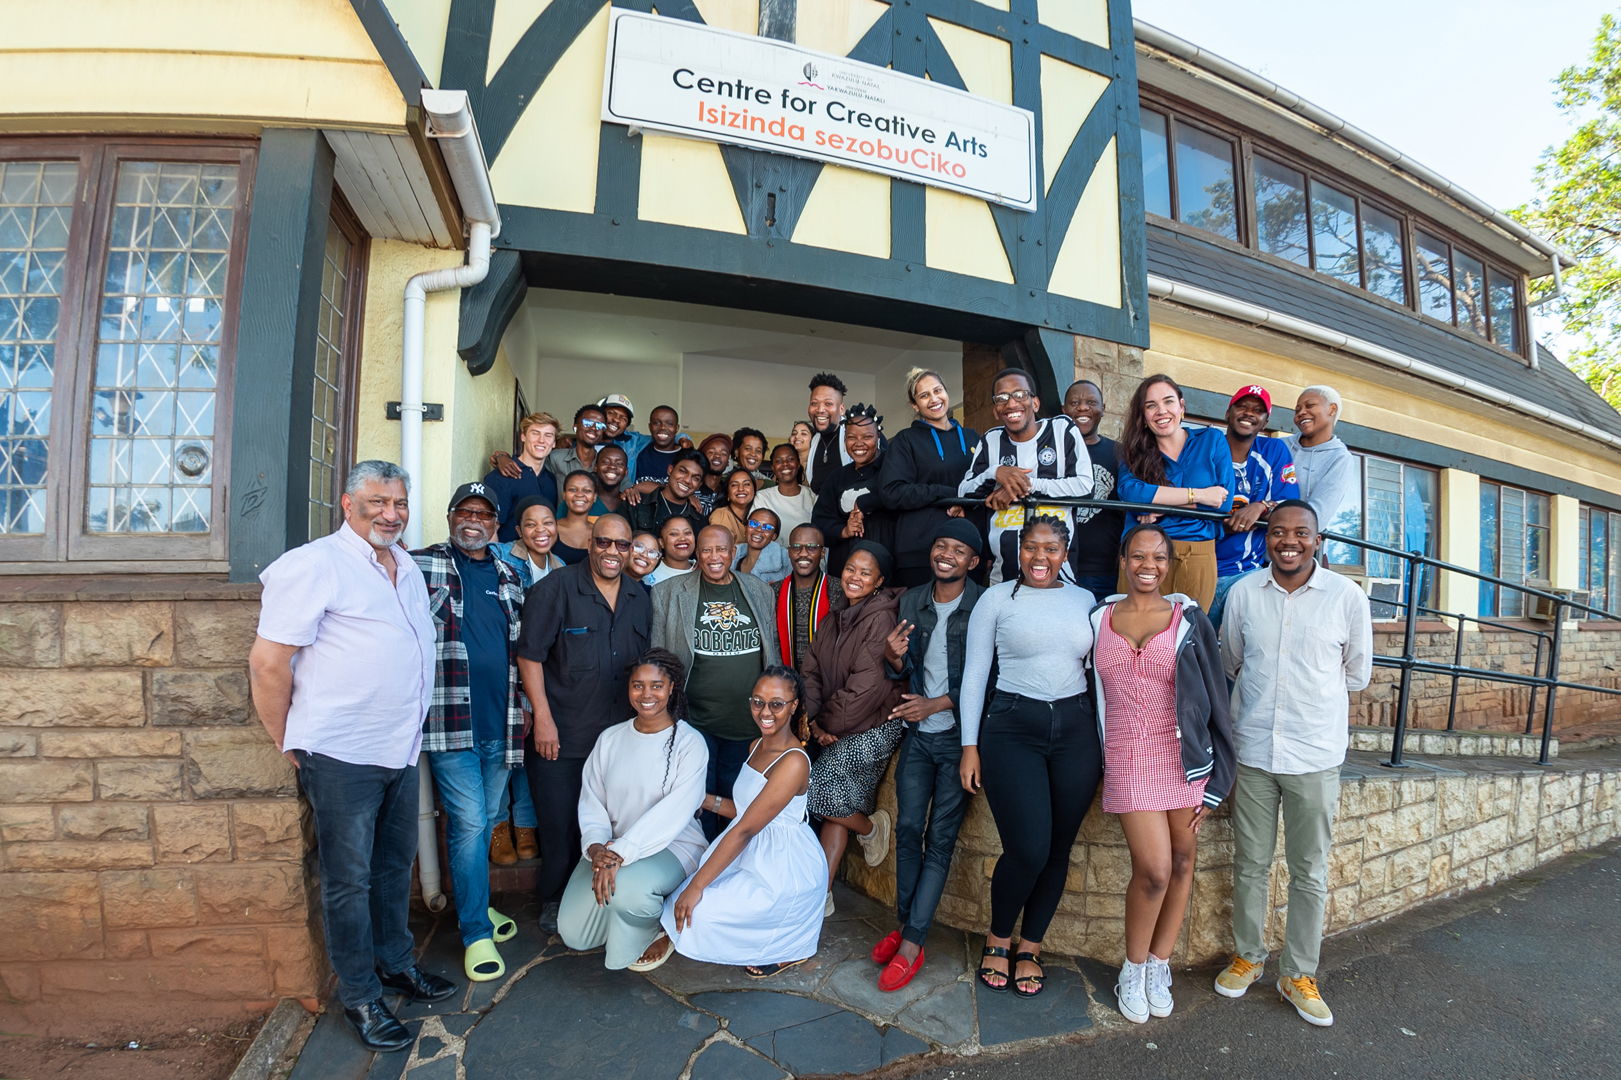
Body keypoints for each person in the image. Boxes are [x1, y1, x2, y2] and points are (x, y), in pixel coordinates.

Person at [248, 461, 451, 1051]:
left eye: (399, 503)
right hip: (342, 753)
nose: (391, 513)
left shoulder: (404, 565)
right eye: (377, 502)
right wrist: (287, 739)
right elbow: (267, 663)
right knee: (348, 881)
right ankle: (361, 996)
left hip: (399, 747)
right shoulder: (314, 564)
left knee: (393, 868)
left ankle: (395, 964)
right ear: (347, 503)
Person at [1216, 500, 1371, 1028]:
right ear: (1266, 539)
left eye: (1301, 532)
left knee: (1310, 871)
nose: (1289, 541)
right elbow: (1231, 662)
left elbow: (1356, 673)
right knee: (1249, 864)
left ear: (1317, 540)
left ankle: (1298, 974)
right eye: (1278, 531)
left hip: (1314, 754)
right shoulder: (1243, 593)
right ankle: (1248, 957)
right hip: (1255, 750)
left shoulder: (1346, 597)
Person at [1088, 524, 1234, 1024]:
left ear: (1169, 565)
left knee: (1183, 861)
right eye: (1137, 556)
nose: (1147, 565)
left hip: (1183, 760)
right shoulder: (1099, 618)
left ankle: (1158, 965)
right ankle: (1131, 969)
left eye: (1157, 557)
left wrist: (1219, 779)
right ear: (1123, 560)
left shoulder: (1188, 619)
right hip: (1128, 759)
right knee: (1154, 870)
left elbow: (1217, 700)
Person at [957, 515, 1100, 998]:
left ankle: (1031, 946)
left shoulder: (1085, 600)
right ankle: (999, 938)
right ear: (1019, 550)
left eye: (1051, 549)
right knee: (1029, 849)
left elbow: (1099, 671)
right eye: (1031, 547)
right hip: (1013, 727)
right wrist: (970, 745)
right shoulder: (997, 599)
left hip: (1076, 730)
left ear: (1065, 552)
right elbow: (975, 673)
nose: (1040, 557)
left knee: (1058, 849)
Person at [410, 482, 529, 983]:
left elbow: (521, 649)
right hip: (450, 725)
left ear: (496, 525)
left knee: (486, 820)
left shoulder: (509, 575)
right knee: (470, 824)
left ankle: (477, 905)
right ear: (450, 517)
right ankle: (476, 931)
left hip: (502, 723)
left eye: (483, 514)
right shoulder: (419, 565)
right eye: (465, 511)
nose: (473, 520)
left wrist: (527, 707)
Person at [517, 514, 653, 933]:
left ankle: (603, 897)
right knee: (560, 827)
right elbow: (529, 657)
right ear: (589, 544)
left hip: (620, 740)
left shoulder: (639, 596)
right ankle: (555, 899)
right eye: (604, 543)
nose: (613, 552)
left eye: (622, 545)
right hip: (563, 736)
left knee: (614, 825)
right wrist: (543, 719)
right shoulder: (553, 589)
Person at [871, 520, 985, 991]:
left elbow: (989, 678)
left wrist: (936, 705)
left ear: (972, 561)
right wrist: (894, 657)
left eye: (958, 549)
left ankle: (913, 943)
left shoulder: (984, 606)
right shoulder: (913, 600)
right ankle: (905, 926)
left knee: (939, 839)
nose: (946, 554)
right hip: (918, 736)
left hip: (959, 738)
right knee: (907, 829)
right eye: (941, 545)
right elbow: (908, 668)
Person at [662, 667, 827, 978]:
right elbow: (746, 810)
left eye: (776, 704)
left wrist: (697, 886)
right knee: (678, 901)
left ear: (794, 706)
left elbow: (746, 828)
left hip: (783, 868)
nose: (765, 712)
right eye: (758, 702)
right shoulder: (756, 746)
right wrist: (702, 800)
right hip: (753, 851)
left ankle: (789, 946)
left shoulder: (793, 762)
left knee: (698, 909)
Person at [559, 649, 708, 972]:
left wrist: (619, 855)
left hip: (674, 846)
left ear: (672, 688)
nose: (646, 694)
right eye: (638, 685)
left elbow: (673, 813)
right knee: (574, 933)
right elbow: (592, 800)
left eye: (657, 686)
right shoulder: (610, 739)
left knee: (628, 893)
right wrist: (597, 849)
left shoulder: (690, 743)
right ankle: (623, 911)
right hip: (613, 846)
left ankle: (659, 928)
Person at [652, 524, 782, 839]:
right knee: (698, 804)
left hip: (747, 724)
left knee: (740, 803)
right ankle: (703, 860)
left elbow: (773, 653)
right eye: (706, 550)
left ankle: (732, 863)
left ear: (733, 552)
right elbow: (657, 661)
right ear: (697, 553)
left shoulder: (759, 591)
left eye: (721, 549)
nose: (714, 557)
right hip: (695, 723)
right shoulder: (667, 593)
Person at [803, 540, 903, 911]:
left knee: (812, 789)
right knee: (840, 802)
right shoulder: (834, 617)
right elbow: (810, 672)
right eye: (850, 569)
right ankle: (822, 897)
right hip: (836, 722)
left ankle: (872, 829)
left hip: (875, 725)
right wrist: (814, 721)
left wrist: (825, 723)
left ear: (879, 581)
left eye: (865, 572)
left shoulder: (881, 618)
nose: (854, 577)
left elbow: (868, 688)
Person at [958, 369, 1092, 585]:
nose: (1011, 403)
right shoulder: (991, 440)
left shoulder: (1062, 429)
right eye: (1002, 398)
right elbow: (964, 493)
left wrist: (1023, 486)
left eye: (1020, 394)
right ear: (995, 411)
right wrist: (996, 472)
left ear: (1035, 403)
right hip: (1003, 576)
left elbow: (1085, 486)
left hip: (1059, 576)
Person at [1115, 374, 1235, 610]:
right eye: (1151, 405)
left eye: (1168, 401)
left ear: (1182, 406)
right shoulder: (1134, 452)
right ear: (1143, 415)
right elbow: (1130, 494)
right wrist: (1199, 495)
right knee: (1136, 626)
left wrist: (1159, 505)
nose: (1161, 411)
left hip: (1198, 550)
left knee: (1189, 628)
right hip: (1145, 550)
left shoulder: (1212, 440)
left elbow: (1223, 501)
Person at [878, 367, 980, 589]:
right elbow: (892, 492)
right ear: (915, 405)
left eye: (937, 390)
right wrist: (947, 494)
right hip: (920, 552)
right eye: (924, 395)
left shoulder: (972, 437)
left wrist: (963, 501)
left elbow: (985, 486)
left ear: (946, 392)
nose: (934, 399)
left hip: (969, 549)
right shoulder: (906, 440)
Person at [1212, 386, 1300, 629]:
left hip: (1246, 572)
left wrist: (1261, 506)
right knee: (1193, 645)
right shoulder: (1207, 446)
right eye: (1242, 406)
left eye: (1258, 410)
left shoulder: (1273, 449)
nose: (1249, 413)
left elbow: (1289, 509)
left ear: (1265, 422)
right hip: (1199, 565)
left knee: (1249, 645)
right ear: (1228, 413)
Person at [811, 403, 894, 580]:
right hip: (843, 565)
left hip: (888, 563)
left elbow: (902, 495)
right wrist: (843, 530)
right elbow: (819, 521)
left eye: (867, 436)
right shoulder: (837, 477)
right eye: (851, 437)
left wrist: (865, 503)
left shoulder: (892, 469)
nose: (859, 443)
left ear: (878, 437)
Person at [1062, 379, 1127, 599]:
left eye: (1091, 402)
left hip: (1105, 569)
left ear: (1103, 408)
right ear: (1063, 410)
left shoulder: (1119, 452)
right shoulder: (1053, 453)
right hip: (1057, 565)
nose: (1082, 408)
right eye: (1074, 403)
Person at [1284, 386, 1360, 540]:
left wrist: (1267, 511)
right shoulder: (1280, 446)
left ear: (1332, 409)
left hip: (1299, 547)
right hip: (1255, 544)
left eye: (1310, 405)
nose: (1301, 412)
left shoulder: (1340, 458)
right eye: (1297, 410)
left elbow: (1318, 517)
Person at [775, 523, 842, 671]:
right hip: (785, 677)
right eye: (796, 547)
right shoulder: (773, 592)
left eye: (811, 547)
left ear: (822, 552)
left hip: (826, 677)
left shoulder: (840, 591)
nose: (803, 553)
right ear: (789, 552)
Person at [484, 412, 559, 540]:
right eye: (535, 433)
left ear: (554, 443)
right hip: (508, 552)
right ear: (523, 436)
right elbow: (490, 530)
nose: (541, 440)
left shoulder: (551, 479)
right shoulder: (500, 477)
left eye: (548, 435)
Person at [625, 448, 708, 535]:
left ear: (699, 485)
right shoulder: (635, 504)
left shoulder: (700, 523)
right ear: (670, 469)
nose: (687, 480)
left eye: (695, 478)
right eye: (683, 471)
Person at [492, 497, 563, 590]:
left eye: (547, 522)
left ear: (557, 526)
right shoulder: (499, 555)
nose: (540, 529)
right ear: (519, 531)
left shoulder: (560, 566)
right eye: (531, 524)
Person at [754, 443, 815, 550]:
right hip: (773, 559)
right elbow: (756, 534)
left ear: (798, 464)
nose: (785, 464)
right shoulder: (762, 498)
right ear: (773, 468)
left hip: (806, 558)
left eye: (790, 459)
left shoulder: (812, 497)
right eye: (779, 461)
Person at [804, 372, 850, 493]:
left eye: (828, 404)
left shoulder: (858, 436)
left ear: (841, 409)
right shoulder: (814, 441)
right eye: (814, 403)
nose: (820, 410)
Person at [545, 404, 608, 489]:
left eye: (600, 426)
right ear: (575, 426)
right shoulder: (555, 458)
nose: (593, 428)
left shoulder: (605, 465)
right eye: (587, 423)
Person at [630, 405, 686, 492]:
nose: (662, 427)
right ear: (650, 427)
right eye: (657, 423)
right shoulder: (639, 451)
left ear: (676, 428)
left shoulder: (687, 456)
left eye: (669, 423)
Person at [733, 508, 791, 584]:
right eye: (754, 524)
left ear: (773, 536)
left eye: (767, 528)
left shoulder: (786, 560)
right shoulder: (732, 559)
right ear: (746, 528)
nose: (759, 530)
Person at [553, 470, 597, 565]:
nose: (579, 494)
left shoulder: (599, 533)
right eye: (573, 490)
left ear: (594, 497)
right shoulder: (550, 529)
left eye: (586, 490)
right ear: (564, 494)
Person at [708, 467, 759, 546]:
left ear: (754, 490)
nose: (741, 489)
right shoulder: (721, 515)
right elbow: (723, 549)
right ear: (728, 493)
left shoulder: (759, 514)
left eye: (746, 484)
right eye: (734, 485)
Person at [645, 515, 698, 586]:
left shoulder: (703, 570)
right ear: (661, 543)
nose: (682, 538)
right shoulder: (649, 569)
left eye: (687, 533)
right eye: (674, 534)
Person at [588, 445, 629, 517]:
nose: (612, 466)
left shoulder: (631, 505)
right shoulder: (582, 500)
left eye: (619, 463)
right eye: (606, 462)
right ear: (595, 467)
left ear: (626, 471)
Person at [696, 433, 732, 514]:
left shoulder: (729, 492)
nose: (717, 456)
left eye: (723, 454)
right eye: (712, 452)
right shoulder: (691, 487)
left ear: (727, 462)